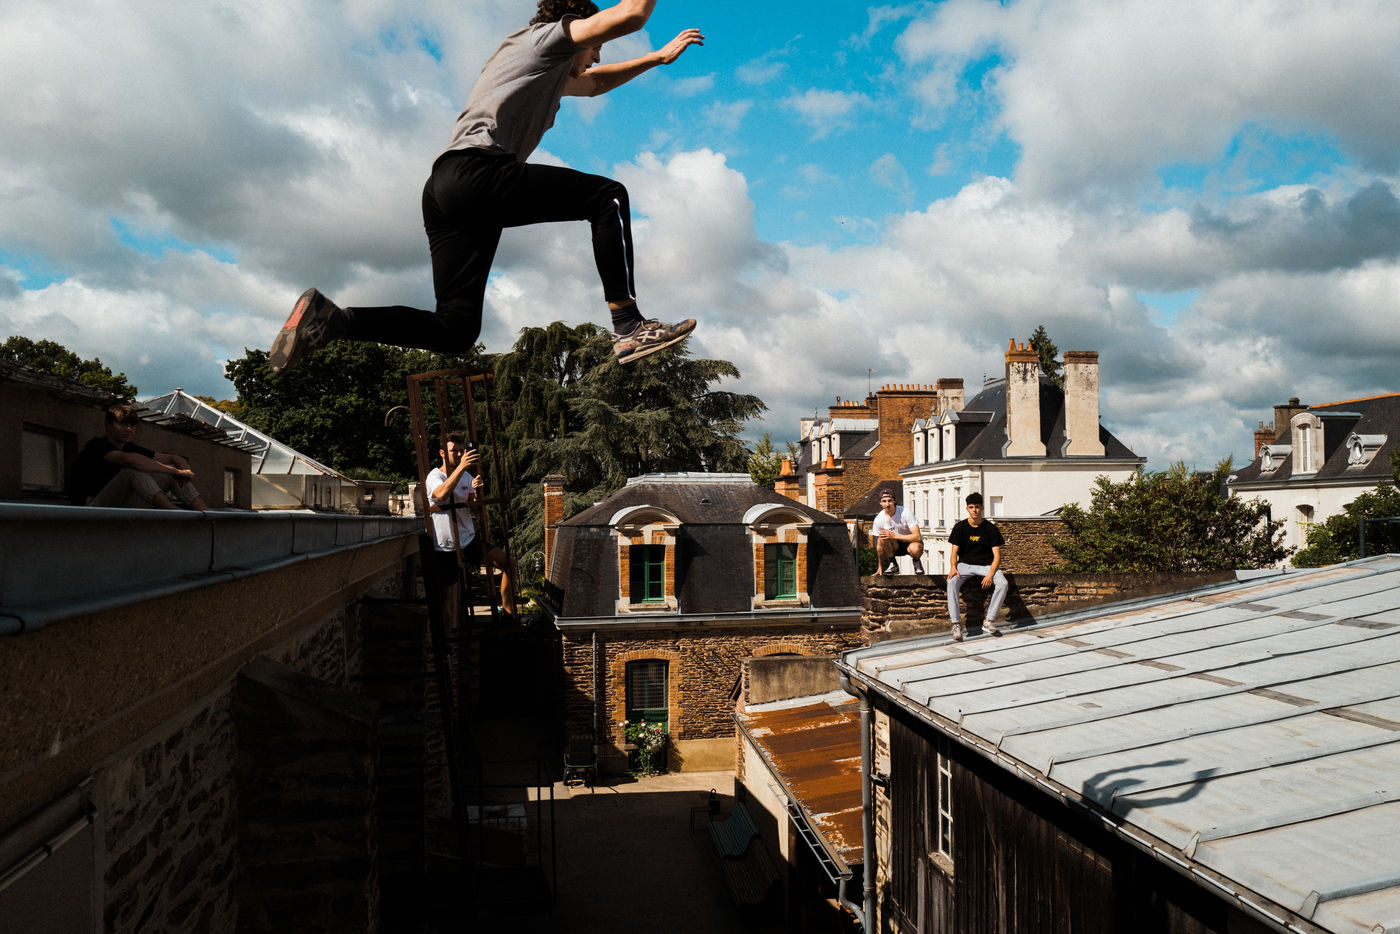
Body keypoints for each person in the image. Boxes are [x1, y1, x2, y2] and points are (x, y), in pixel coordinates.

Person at [270, 0, 705, 374]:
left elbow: (595, 85)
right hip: (478, 173)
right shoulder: (546, 39)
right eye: (596, 47)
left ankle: (333, 321)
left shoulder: (540, 66)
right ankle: (629, 325)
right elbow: (631, 14)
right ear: (577, 30)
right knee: (607, 197)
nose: (594, 57)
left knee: (455, 329)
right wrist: (626, 30)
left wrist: (655, 59)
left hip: (445, 191)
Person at [426, 433, 515, 617]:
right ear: (442, 453)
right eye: (454, 451)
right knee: (447, 597)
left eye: (461, 451)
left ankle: (508, 613)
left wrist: (476, 495)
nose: (459, 455)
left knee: (509, 563)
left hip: (467, 540)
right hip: (445, 546)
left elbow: (475, 510)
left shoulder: (466, 476)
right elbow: (441, 494)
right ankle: (448, 633)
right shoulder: (435, 476)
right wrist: (462, 468)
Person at [72, 404, 211, 511]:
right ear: (108, 426)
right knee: (133, 470)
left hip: (121, 505)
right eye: (122, 424)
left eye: (132, 425)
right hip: (91, 507)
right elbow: (130, 460)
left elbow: (174, 459)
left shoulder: (130, 447)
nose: (128, 429)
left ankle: (207, 515)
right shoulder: (97, 446)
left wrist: (184, 473)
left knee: (169, 473)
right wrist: (177, 472)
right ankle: (176, 513)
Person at [946, 491, 1008, 641]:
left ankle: (988, 621)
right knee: (951, 582)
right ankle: (956, 624)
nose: (974, 510)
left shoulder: (991, 528)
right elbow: (954, 553)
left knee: (1003, 583)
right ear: (967, 508)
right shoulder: (960, 527)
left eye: (977, 507)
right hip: (964, 564)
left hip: (986, 565)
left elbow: (997, 556)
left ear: (982, 508)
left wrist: (990, 575)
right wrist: (953, 567)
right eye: (971, 507)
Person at [873, 488, 924, 575]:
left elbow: (917, 537)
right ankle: (893, 563)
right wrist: (880, 566)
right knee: (882, 537)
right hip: (894, 546)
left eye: (890, 501)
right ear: (880, 503)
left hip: (911, 542)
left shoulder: (905, 512)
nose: (887, 504)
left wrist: (895, 536)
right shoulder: (879, 519)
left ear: (894, 501)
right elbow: (879, 547)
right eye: (884, 501)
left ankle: (916, 562)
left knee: (915, 549)